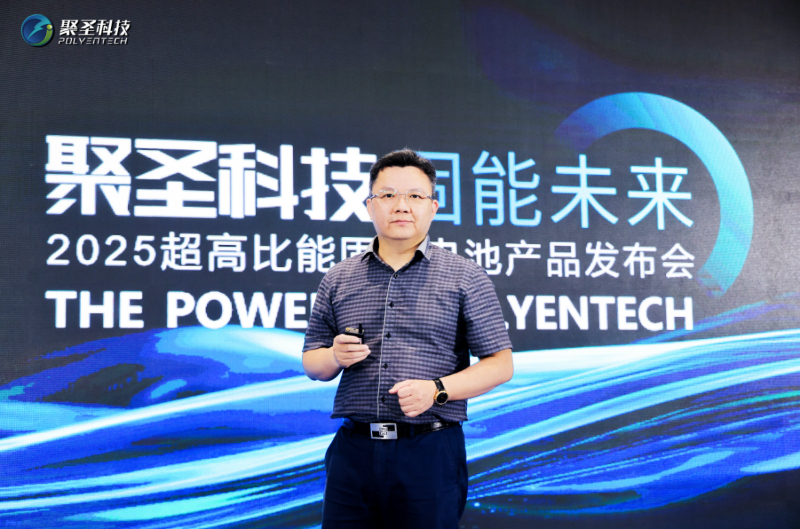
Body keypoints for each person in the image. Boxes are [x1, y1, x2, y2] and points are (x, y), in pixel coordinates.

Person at [302, 148, 513, 529]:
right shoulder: (338, 278)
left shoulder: (465, 276)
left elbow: (501, 365)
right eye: (388, 195)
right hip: (354, 451)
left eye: (415, 195)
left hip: (429, 450)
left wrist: (437, 390)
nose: (401, 205)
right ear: (370, 205)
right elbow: (312, 362)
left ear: (433, 207)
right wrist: (334, 355)